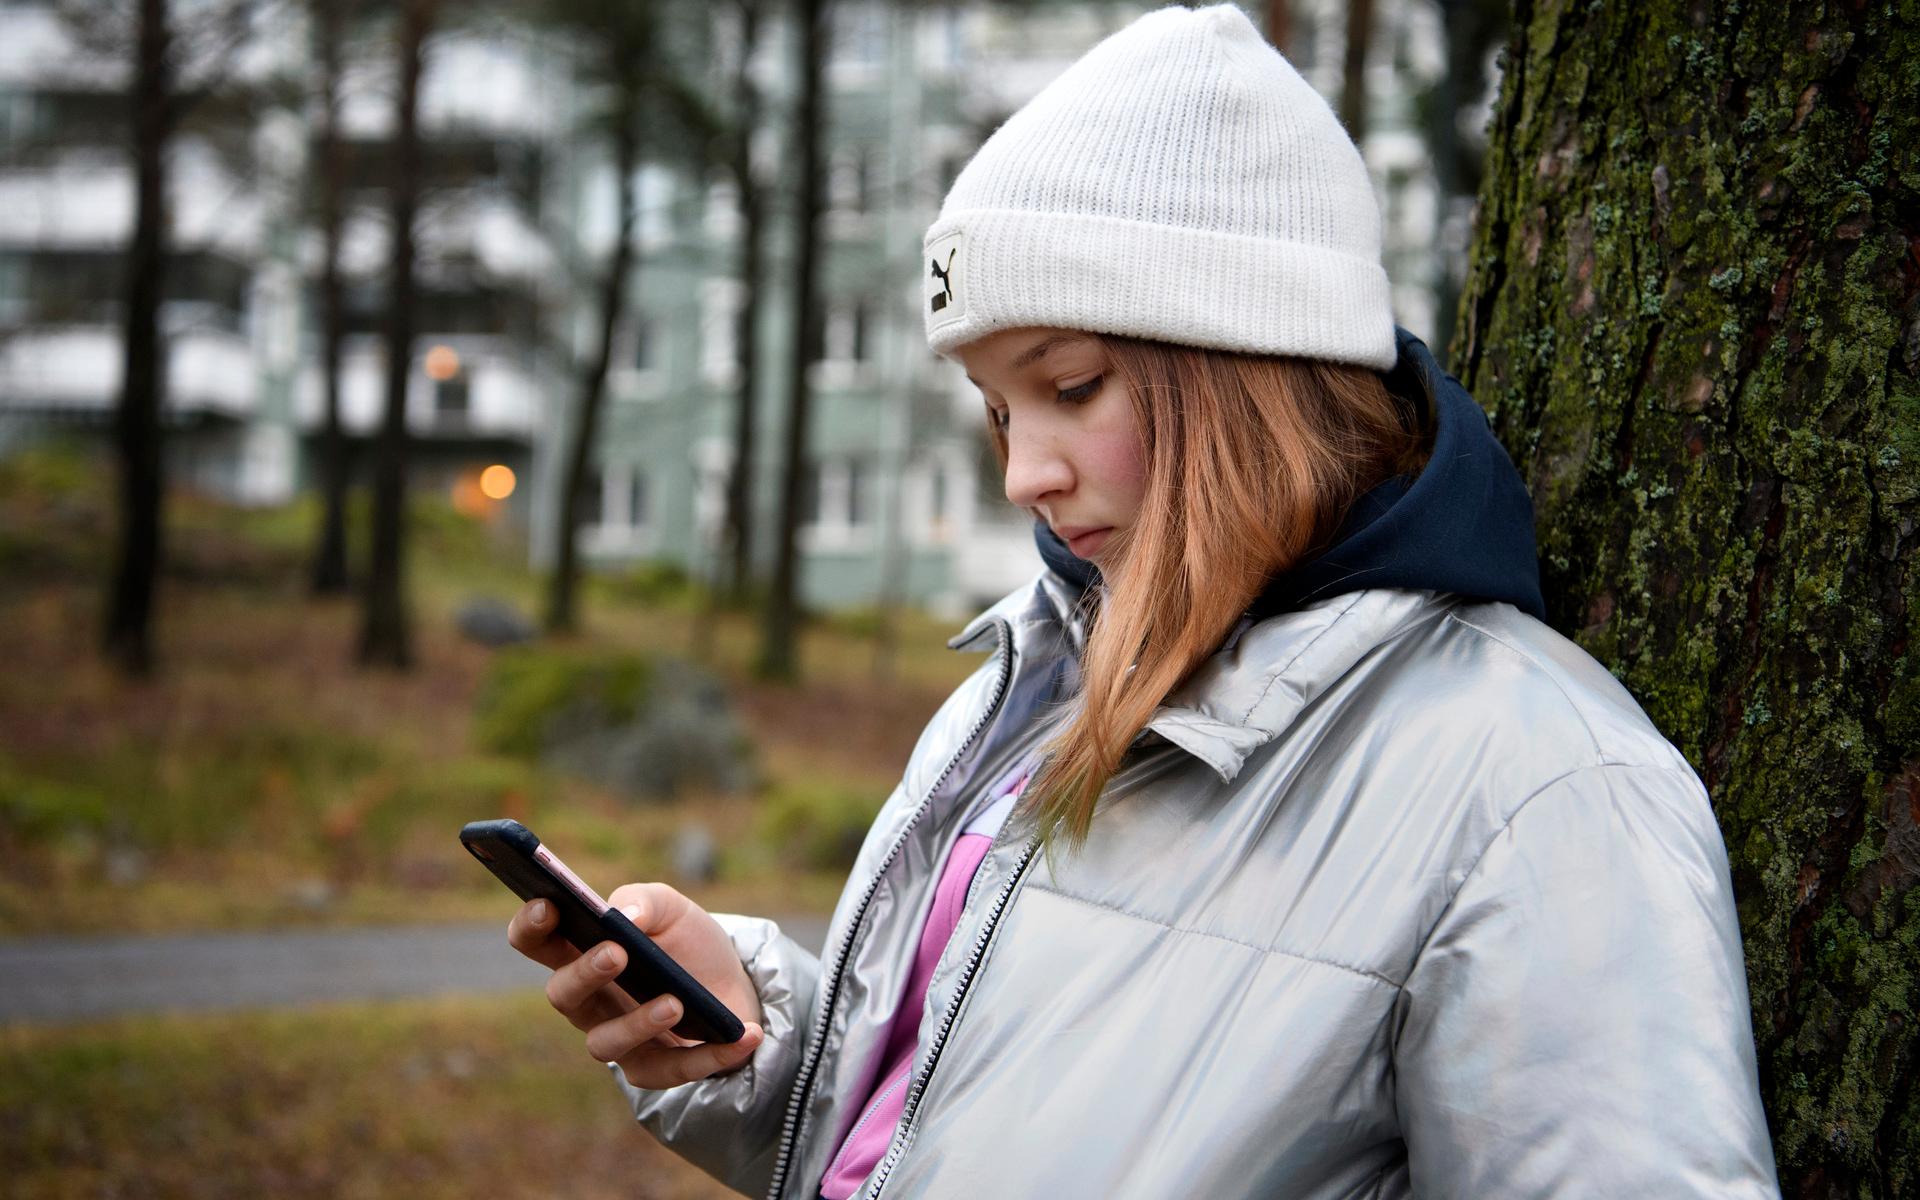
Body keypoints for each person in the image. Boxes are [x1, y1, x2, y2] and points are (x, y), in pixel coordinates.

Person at [507, 6, 1781, 1197]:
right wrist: (756, 1043)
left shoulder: (1542, 785)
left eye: (1071, 385)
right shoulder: (1016, 701)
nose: (1022, 474)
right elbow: (939, 1124)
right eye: (999, 409)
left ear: (1243, 369)